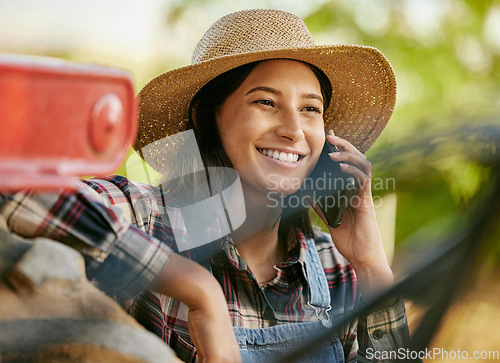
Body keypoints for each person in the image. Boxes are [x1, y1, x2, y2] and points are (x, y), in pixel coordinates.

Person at [0, 8, 409, 363]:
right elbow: (13, 193)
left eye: (310, 109)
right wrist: (194, 287)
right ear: (206, 116)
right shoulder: (145, 220)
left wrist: (372, 264)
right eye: (265, 102)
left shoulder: (334, 265)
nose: (292, 130)